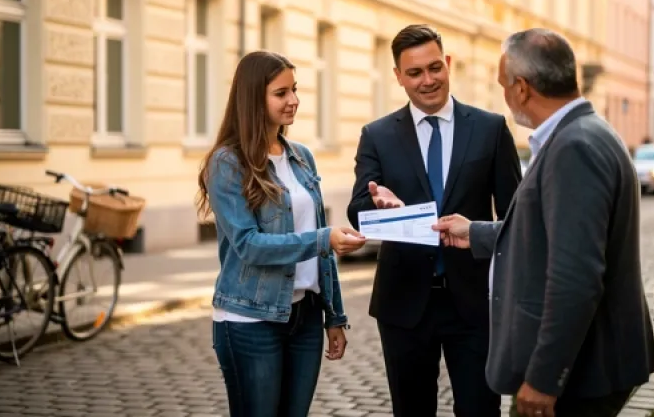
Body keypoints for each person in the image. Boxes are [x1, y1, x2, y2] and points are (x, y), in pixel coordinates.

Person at [433, 28, 654, 417]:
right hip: (591, 365)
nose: (504, 95)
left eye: (504, 84)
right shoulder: (586, 132)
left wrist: (544, 378)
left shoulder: (574, 148)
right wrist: (475, 232)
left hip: (584, 372)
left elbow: (576, 278)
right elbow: (546, 232)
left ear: (521, 89)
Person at [346, 24, 522, 416]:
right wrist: (380, 206)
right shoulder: (377, 135)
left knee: (479, 410)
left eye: (434, 68)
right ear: (398, 77)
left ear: (447, 63)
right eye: (414, 73)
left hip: (475, 303)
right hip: (404, 303)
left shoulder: (491, 129)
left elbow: (517, 219)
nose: (427, 81)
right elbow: (358, 209)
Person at [197, 50, 367, 417]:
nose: (294, 100)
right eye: (281, 93)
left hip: (303, 317)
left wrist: (334, 315)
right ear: (253, 97)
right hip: (250, 321)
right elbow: (249, 245)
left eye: (295, 90)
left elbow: (319, 242)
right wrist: (325, 239)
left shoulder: (301, 156)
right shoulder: (228, 162)